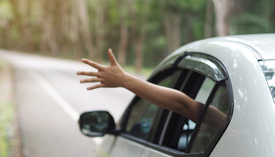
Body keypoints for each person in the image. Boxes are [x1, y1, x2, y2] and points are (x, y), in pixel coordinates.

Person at [77, 48, 225, 126]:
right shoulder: (241, 131)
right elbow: (184, 105)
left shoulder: (233, 129)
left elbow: (183, 105)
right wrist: (123, 80)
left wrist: (124, 80)